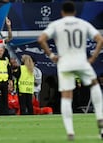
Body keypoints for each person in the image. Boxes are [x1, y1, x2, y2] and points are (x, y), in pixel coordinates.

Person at [38, 1, 103, 140]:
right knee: (94, 85)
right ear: (74, 12)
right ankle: (100, 117)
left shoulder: (57, 24)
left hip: (65, 63)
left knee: (67, 96)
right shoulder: (82, 23)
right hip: (81, 61)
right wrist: (93, 57)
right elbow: (100, 39)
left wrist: (51, 56)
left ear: (62, 12)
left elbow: (41, 39)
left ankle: (70, 131)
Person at [0, 46, 12, 115]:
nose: (0, 52)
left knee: (5, 97)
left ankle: (5, 112)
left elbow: (9, 70)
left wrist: (10, 80)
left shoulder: (6, 59)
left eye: (1, 51)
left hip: (5, 81)